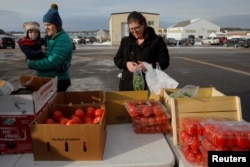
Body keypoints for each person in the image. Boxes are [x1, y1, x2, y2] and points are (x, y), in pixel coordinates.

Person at [114, 11, 170, 91]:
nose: (134, 32)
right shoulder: (125, 41)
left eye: (137, 28)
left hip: (150, 86)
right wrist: (127, 64)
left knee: (148, 103)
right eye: (131, 29)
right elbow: (117, 59)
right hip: (127, 86)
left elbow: (165, 62)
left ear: (144, 24)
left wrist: (149, 66)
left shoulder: (156, 41)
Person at [27, 3, 73, 92]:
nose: (46, 27)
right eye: (45, 25)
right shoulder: (48, 38)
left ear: (57, 25)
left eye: (49, 24)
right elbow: (36, 52)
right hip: (47, 80)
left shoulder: (62, 39)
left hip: (58, 82)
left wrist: (31, 63)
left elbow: (52, 62)